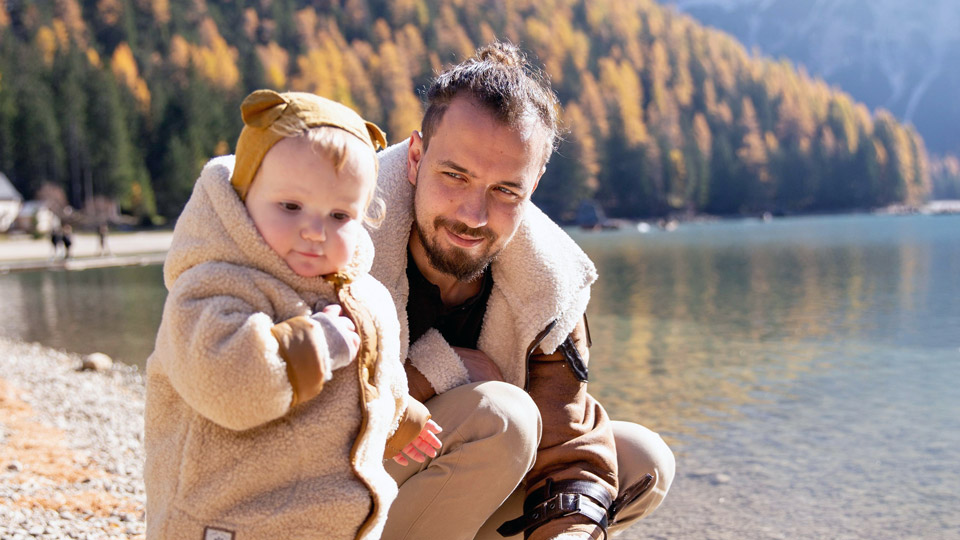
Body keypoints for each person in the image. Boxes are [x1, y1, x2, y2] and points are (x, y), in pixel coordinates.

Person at [367, 42, 676, 540]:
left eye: (505, 190)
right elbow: (295, 410)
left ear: (533, 185)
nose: (474, 215)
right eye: (455, 176)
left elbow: (567, 448)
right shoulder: (333, 234)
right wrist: (441, 370)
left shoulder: (549, 283)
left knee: (641, 461)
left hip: (438, 487)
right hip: (325, 494)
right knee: (502, 417)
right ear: (416, 157)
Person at [144, 90, 439, 540]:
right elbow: (226, 383)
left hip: (328, 522)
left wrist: (401, 419)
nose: (314, 230)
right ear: (243, 197)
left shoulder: (365, 295)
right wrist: (315, 346)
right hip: (223, 521)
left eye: (339, 214)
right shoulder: (213, 286)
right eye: (290, 207)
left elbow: (376, 377)